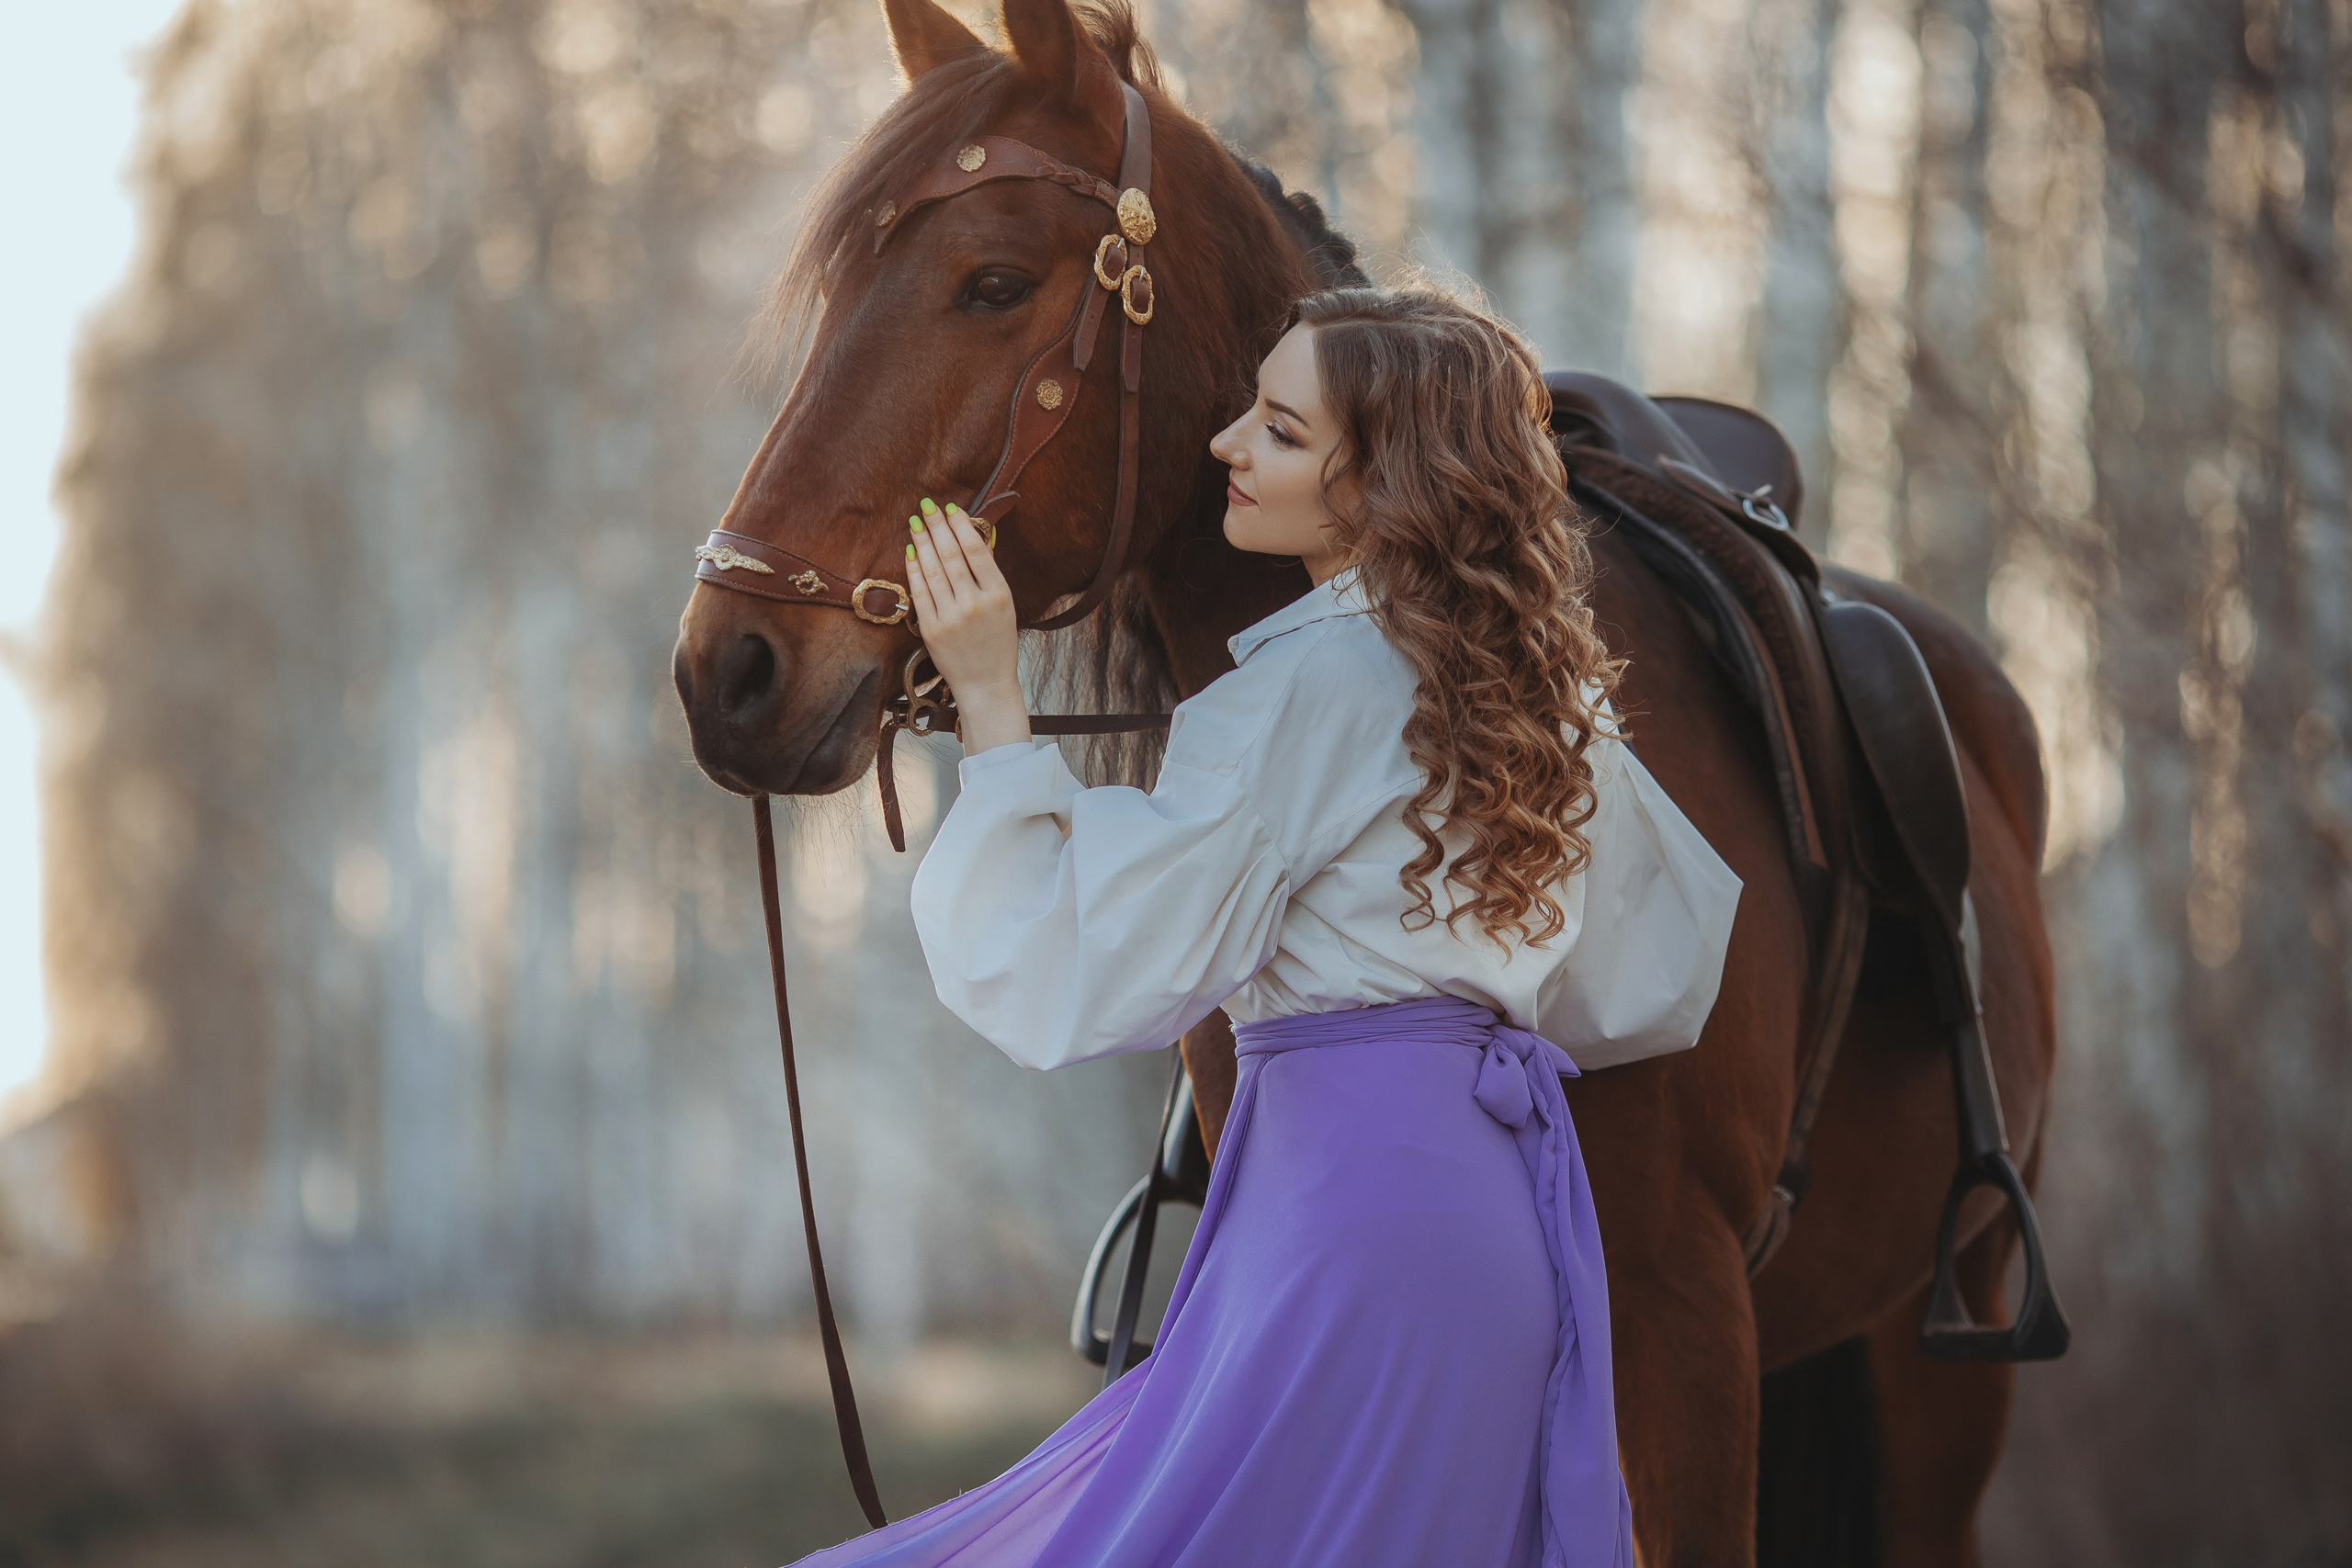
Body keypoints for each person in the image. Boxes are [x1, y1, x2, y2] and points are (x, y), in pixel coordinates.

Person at [797, 286, 1741, 1568]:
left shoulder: (1303, 686)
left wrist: (988, 700)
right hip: (1494, 1229)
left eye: (1283, 431)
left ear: (1381, 484)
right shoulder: (1555, 706)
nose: (1227, 443)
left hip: (1343, 1231)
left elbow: (1077, 969)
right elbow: (1655, 977)